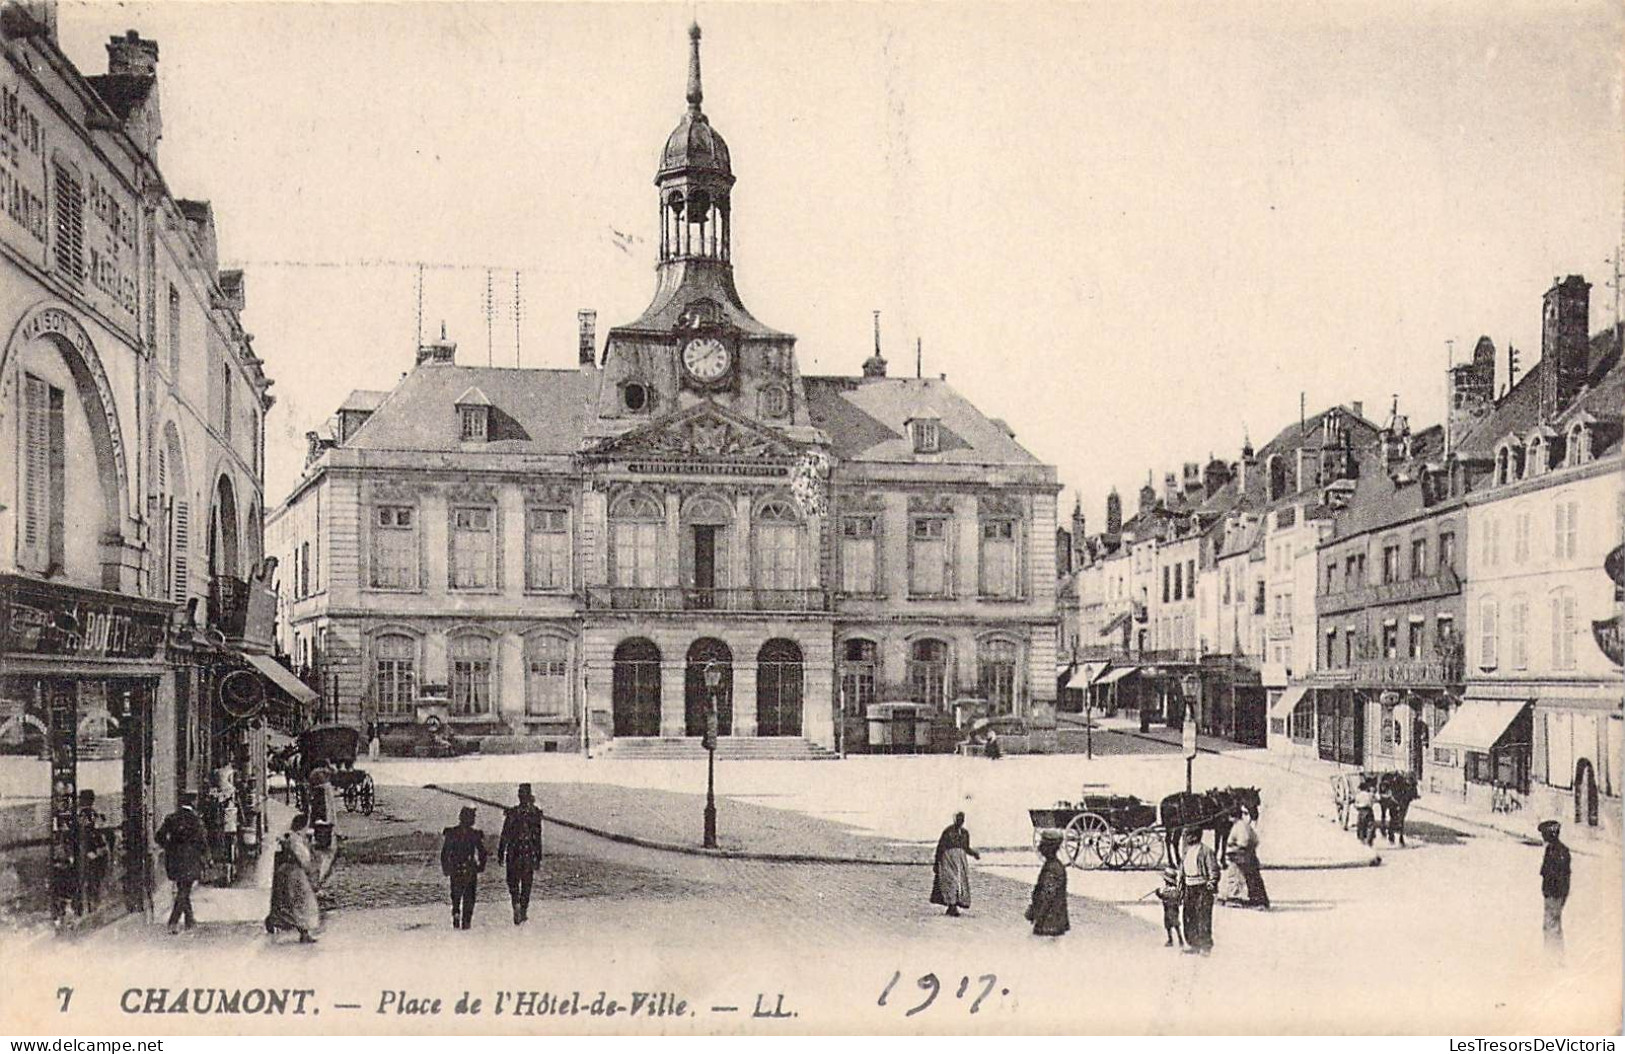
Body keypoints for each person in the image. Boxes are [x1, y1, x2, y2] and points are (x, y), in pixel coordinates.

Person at [155, 795, 210, 934]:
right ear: (192, 803)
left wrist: (169, 847)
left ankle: (190, 920)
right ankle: (173, 922)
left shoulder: (171, 818)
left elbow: (159, 836)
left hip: (174, 859)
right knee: (184, 890)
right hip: (190, 859)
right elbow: (202, 841)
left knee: (182, 888)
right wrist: (206, 856)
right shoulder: (195, 820)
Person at [265, 814, 321, 943]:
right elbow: (304, 859)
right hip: (295, 874)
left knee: (289, 902)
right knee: (303, 902)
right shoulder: (296, 840)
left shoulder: (289, 837)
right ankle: (303, 931)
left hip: (285, 872)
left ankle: (278, 921)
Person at [497, 784, 545, 926]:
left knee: (513, 882)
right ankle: (522, 910)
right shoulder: (534, 814)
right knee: (526, 884)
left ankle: (516, 904)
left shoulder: (513, 813)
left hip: (514, 852)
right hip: (528, 853)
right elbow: (537, 837)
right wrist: (538, 857)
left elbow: (504, 835)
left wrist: (501, 852)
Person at [441, 806, 488, 930]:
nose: (474, 819)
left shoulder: (452, 833)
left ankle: (456, 914)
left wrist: (446, 868)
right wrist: (481, 866)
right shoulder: (474, 835)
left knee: (456, 896)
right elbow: (483, 852)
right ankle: (466, 923)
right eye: (473, 817)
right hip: (469, 870)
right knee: (469, 898)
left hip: (456, 869)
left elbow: (445, 853)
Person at [929, 812, 980, 916]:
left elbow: (966, 848)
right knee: (950, 882)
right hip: (948, 859)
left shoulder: (965, 833)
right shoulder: (948, 831)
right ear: (955, 819)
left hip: (960, 862)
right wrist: (936, 862)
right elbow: (940, 847)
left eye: (962, 819)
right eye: (958, 818)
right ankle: (951, 906)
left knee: (959, 883)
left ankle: (954, 906)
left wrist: (974, 854)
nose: (960, 821)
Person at [1219, 805, 1270, 909]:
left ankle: (1235, 898)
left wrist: (1236, 850)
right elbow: (1255, 840)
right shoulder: (1242, 825)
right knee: (1251, 877)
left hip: (1242, 857)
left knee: (1236, 877)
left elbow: (1244, 841)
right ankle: (1258, 899)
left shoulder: (1240, 826)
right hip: (1245, 856)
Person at [1178, 826, 1218, 955]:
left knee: (1203, 917)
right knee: (1188, 916)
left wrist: (1212, 882)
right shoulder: (1186, 851)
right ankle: (1193, 944)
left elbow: (1213, 869)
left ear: (1195, 836)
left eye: (1187, 835)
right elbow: (1182, 870)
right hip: (1189, 887)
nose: (1185, 838)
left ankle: (1205, 946)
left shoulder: (1206, 851)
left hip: (1202, 887)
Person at [1025, 829, 1070, 937]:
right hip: (1052, 922)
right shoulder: (1053, 865)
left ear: (1049, 848)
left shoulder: (1053, 868)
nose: (1040, 848)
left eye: (1042, 844)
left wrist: (1038, 917)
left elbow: (1046, 896)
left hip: (1049, 923)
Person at [1538, 819, 1570, 956]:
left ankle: (1554, 957)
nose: (1543, 836)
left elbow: (1550, 873)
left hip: (1554, 893)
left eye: (1544, 834)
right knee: (1552, 926)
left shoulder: (1556, 851)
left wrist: (1557, 894)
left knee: (1551, 927)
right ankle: (1554, 956)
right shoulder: (1557, 849)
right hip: (1554, 894)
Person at [74, 790, 110, 912]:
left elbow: (87, 834)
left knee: (90, 880)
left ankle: (91, 905)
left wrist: (90, 851)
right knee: (95, 880)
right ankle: (93, 904)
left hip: (91, 852)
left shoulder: (85, 814)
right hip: (97, 851)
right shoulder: (93, 814)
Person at [1155, 868, 1185, 947]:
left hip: (1171, 910)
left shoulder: (1172, 890)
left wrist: (1159, 893)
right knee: (1170, 925)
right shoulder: (1171, 890)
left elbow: (1165, 896)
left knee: (1174, 925)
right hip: (1169, 910)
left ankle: (1177, 939)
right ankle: (1173, 939)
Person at [1353, 777, 1377, 847]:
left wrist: (1357, 806)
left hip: (1361, 811)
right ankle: (1369, 841)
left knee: (1361, 826)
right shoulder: (1370, 795)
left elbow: (1355, 804)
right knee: (1370, 826)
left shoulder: (1358, 795)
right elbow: (1376, 799)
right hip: (1368, 811)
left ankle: (1362, 840)